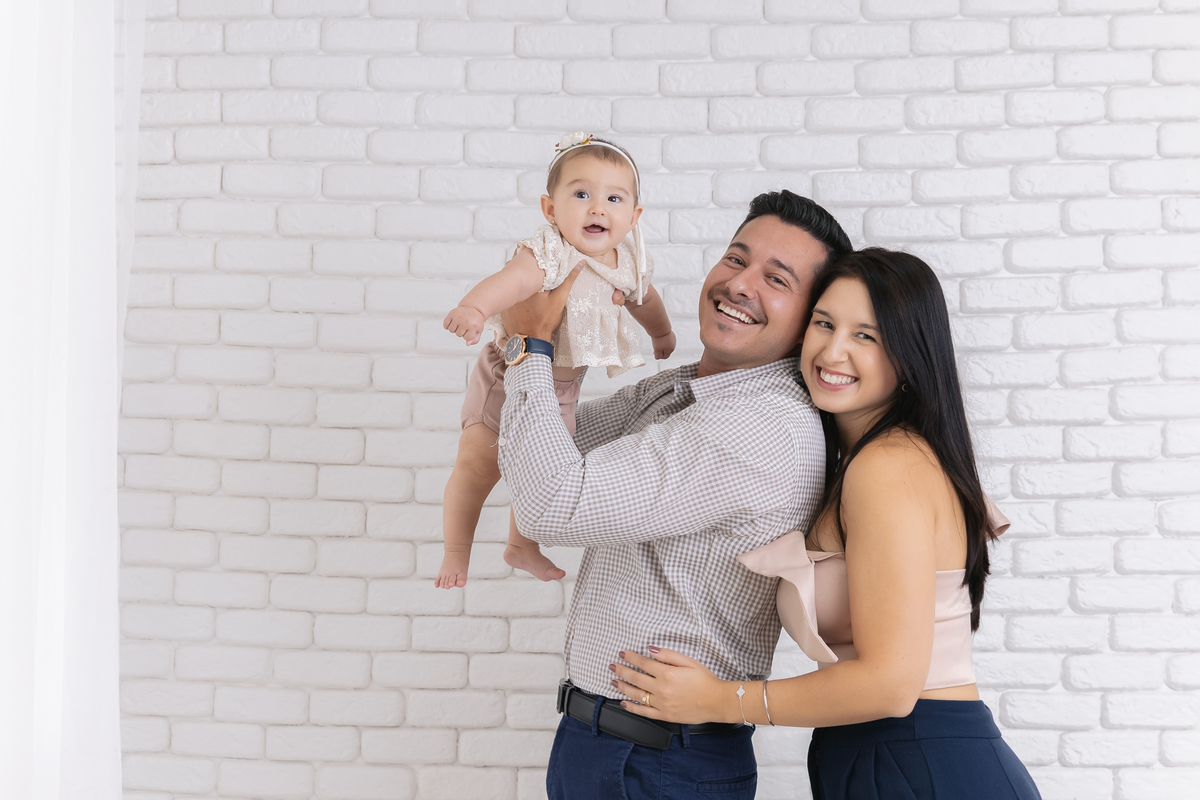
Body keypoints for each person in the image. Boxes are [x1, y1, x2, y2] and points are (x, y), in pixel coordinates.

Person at [609, 249, 1042, 800]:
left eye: (867, 336)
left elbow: (890, 685)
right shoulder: (872, 460)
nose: (833, 351)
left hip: (921, 758)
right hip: (894, 756)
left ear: (910, 355)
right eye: (823, 323)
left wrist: (719, 700)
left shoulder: (888, 467)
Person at [496, 190, 853, 800]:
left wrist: (530, 344)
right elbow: (543, 450)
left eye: (777, 279)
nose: (740, 284)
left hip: (657, 762)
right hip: (612, 747)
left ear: (810, 324)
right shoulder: (687, 391)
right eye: (736, 258)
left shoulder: (760, 425)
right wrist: (565, 328)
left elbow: (551, 503)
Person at [436, 132, 675, 589]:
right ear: (550, 209)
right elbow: (510, 282)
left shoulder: (628, 262)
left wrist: (661, 333)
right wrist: (475, 308)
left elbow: (645, 300)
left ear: (633, 216)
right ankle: (456, 551)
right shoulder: (550, 252)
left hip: (560, 389)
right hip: (509, 372)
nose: (598, 209)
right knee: (477, 465)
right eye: (581, 194)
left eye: (614, 198)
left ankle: (521, 546)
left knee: (537, 467)